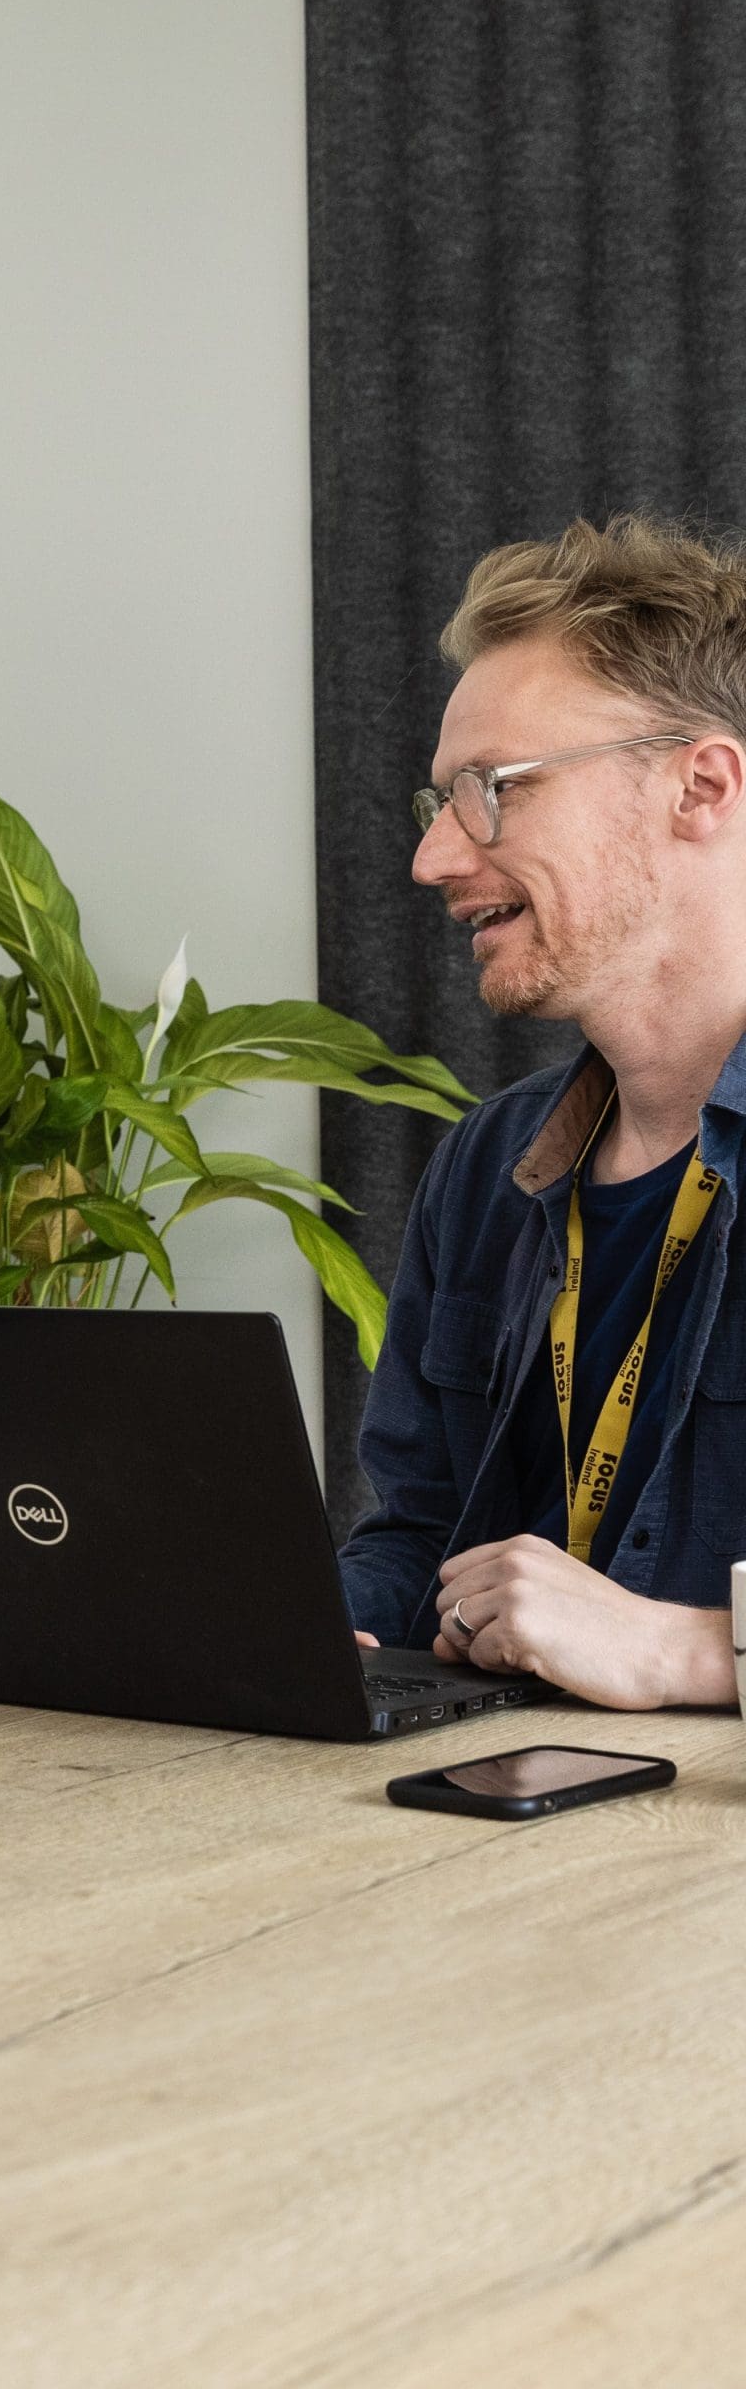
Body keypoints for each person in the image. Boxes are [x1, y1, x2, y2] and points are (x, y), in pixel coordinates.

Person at [342, 513, 746, 1709]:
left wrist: (685, 1649)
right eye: (436, 803)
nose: (432, 859)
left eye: (487, 791)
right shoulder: (484, 1167)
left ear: (701, 784)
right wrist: (309, 1625)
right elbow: (416, 1528)